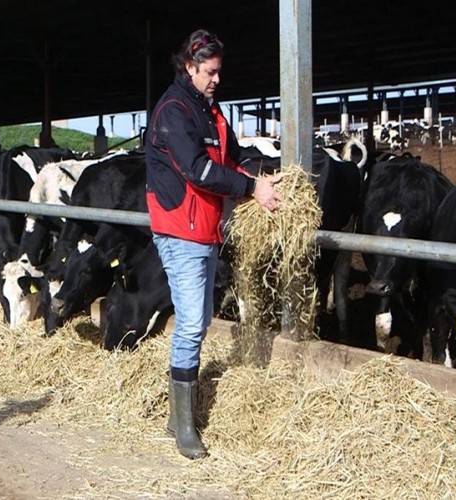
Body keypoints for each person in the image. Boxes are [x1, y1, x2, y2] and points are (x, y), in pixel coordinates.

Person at [145, 29, 282, 460]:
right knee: (189, 325)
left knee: (199, 321)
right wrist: (249, 190)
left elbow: (233, 155)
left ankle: (176, 414)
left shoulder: (210, 111)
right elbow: (200, 171)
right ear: (189, 66)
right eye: (210, 71)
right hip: (180, 230)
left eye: (219, 71)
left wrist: (261, 174)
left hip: (205, 229)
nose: (217, 79)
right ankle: (184, 426)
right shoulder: (174, 111)